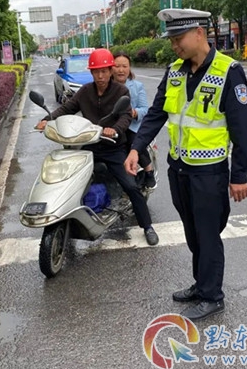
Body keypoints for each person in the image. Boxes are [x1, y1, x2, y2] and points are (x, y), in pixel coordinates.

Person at [124, 9, 247, 320]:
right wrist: (136, 148)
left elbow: (243, 128)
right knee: (193, 232)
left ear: (199, 33)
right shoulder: (174, 71)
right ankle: (202, 283)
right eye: (170, 40)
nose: (174, 46)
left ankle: (213, 296)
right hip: (179, 169)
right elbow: (156, 113)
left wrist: (239, 175)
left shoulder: (229, 71)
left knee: (208, 235)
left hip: (209, 173)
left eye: (178, 38)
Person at [36, 48, 159, 246]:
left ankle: (147, 227)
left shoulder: (121, 91)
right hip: (90, 146)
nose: (100, 76)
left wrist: (115, 130)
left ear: (110, 71)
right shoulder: (85, 91)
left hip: (113, 147)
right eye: (96, 71)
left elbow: (126, 116)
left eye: (104, 71)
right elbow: (68, 108)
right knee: (70, 177)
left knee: (131, 186)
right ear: (91, 73)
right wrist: (47, 119)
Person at [112, 52, 156, 188]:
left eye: (124, 66)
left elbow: (145, 109)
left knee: (133, 141)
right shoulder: (106, 86)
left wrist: (134, 113)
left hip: (132, 126)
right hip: (113, 126)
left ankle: (149, 171)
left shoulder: (137, 86)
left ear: (129, 68)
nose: (121, 70)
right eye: (117, 66)